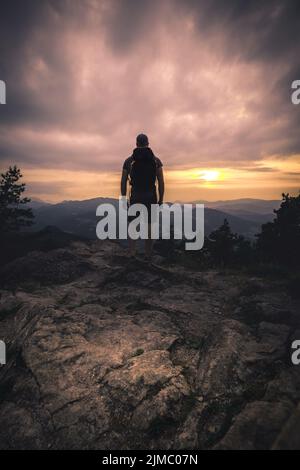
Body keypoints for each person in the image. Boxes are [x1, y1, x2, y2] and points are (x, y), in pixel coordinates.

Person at [121, 133, 164, 260]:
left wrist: (124, 198)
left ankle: (132, 252)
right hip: (151, 195)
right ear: (148, 143)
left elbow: (123, 181)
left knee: (133, 223)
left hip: (135, 195)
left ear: (136, 143)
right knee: (150, 223)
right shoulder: (156, 161)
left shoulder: (129, 161)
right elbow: (161, 181)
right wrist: (161, 199)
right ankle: (148, 253)